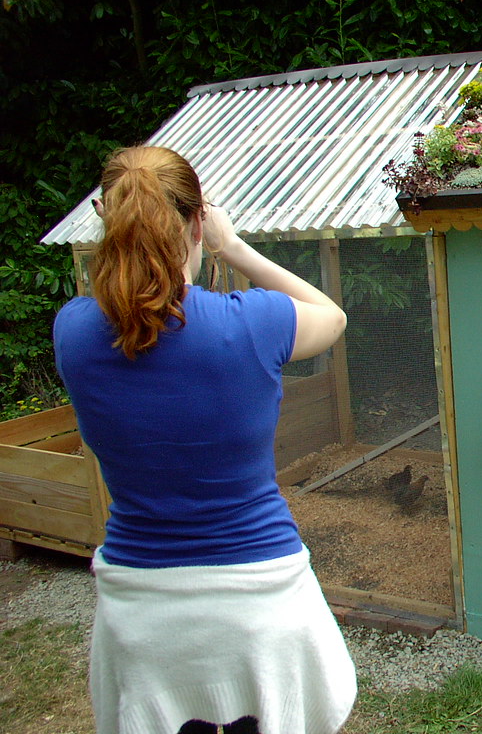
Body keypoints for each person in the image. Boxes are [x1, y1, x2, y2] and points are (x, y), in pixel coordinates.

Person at [53, 145, 358, 733]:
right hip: (261, 598)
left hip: (140, 610)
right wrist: (232, 247)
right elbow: (331, 316)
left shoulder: (73, 332)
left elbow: (132, 317)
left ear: (105, 219)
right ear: (196, 222)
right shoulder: (253, 322)